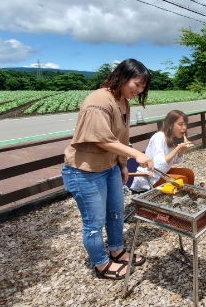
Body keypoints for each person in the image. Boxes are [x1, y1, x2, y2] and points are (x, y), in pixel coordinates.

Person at [61, 58, 154, 280]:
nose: (139, 90)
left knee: (116, 212)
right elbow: (101, 139)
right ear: (122, 77)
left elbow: (121, 138)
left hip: (110, 166)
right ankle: (101, 264)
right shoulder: (99, 100)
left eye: (143, 87)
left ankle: (116, 249)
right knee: (94, 222)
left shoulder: (124, 101)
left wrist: (122, 164)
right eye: (137, 84)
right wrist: (137, 155)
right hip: (85, 170)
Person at [130, 110, 195, 193]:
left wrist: (182, 150)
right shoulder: (158, 137)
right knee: (182, 179)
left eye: (185, 124)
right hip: (151, 177)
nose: (184, 127)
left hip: (163, 172)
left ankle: (191, 196)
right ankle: (183, 200)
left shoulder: (173, 137)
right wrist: (178, 148)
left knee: (189, 173)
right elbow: (158, 165)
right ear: (170, 125)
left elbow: (176, 161)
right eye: (180, 124)